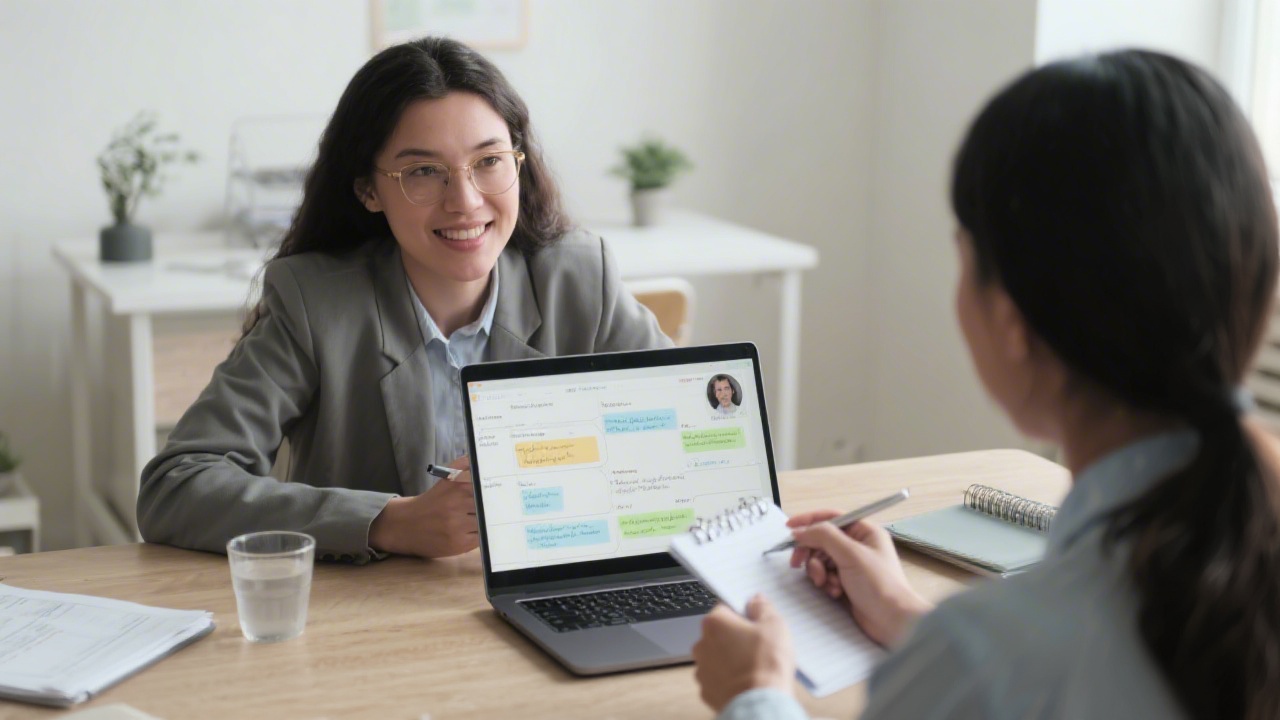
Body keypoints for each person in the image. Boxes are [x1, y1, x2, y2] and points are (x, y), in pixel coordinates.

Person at [691, 50, 1280, 719]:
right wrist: (903, 614)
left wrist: (757, 696)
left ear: (1011, 322)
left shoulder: (980, 661)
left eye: (964, 256)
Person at [137, 37, 670, 564]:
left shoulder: (578, 277)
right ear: (368, 189)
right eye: (422, 172)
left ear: (519, 163)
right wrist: (387, 522)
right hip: (375, 624)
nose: (464, 201)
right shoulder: (316, 304)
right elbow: (175, 487)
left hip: (549, 600)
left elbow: (688, 429)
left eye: (489, 161)